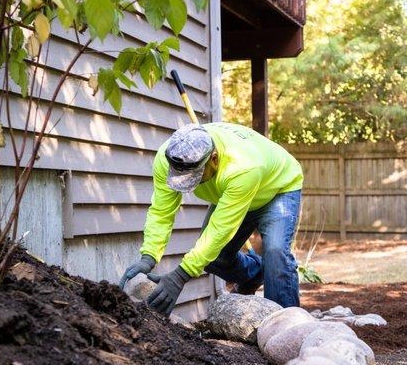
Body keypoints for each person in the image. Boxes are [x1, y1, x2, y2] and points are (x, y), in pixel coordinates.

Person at [119, 122, 304, 316]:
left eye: (195, 177)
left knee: (275, 254)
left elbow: (220, 229)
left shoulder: (242, 167)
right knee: (213, 258)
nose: (189, 183)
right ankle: (256, 273)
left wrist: (180, 276)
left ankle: (288, 325)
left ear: (214, 159)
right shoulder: (169, 159)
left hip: (278, 187)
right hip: (233, 193)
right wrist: (148, 256)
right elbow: (161, 211)